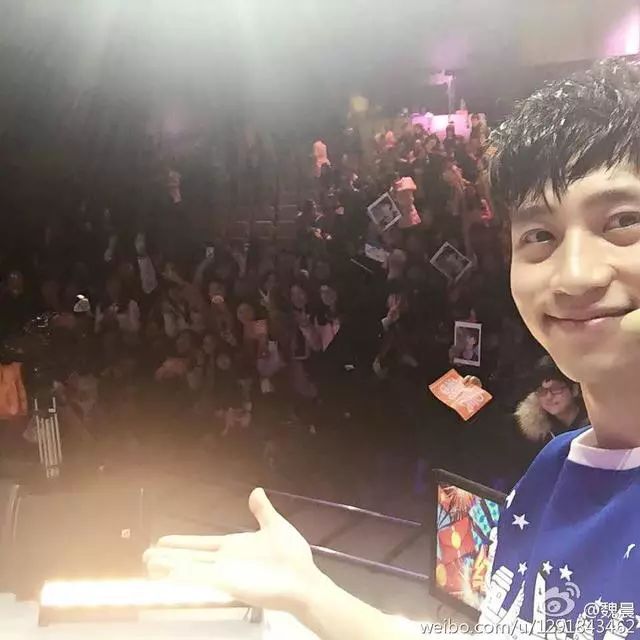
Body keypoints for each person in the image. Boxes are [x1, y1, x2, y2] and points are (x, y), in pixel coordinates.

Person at [146, 59, 640, 638]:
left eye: (622, 221)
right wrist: (311, 595)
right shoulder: (552, 469)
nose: (575, 275)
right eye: (539, 235)